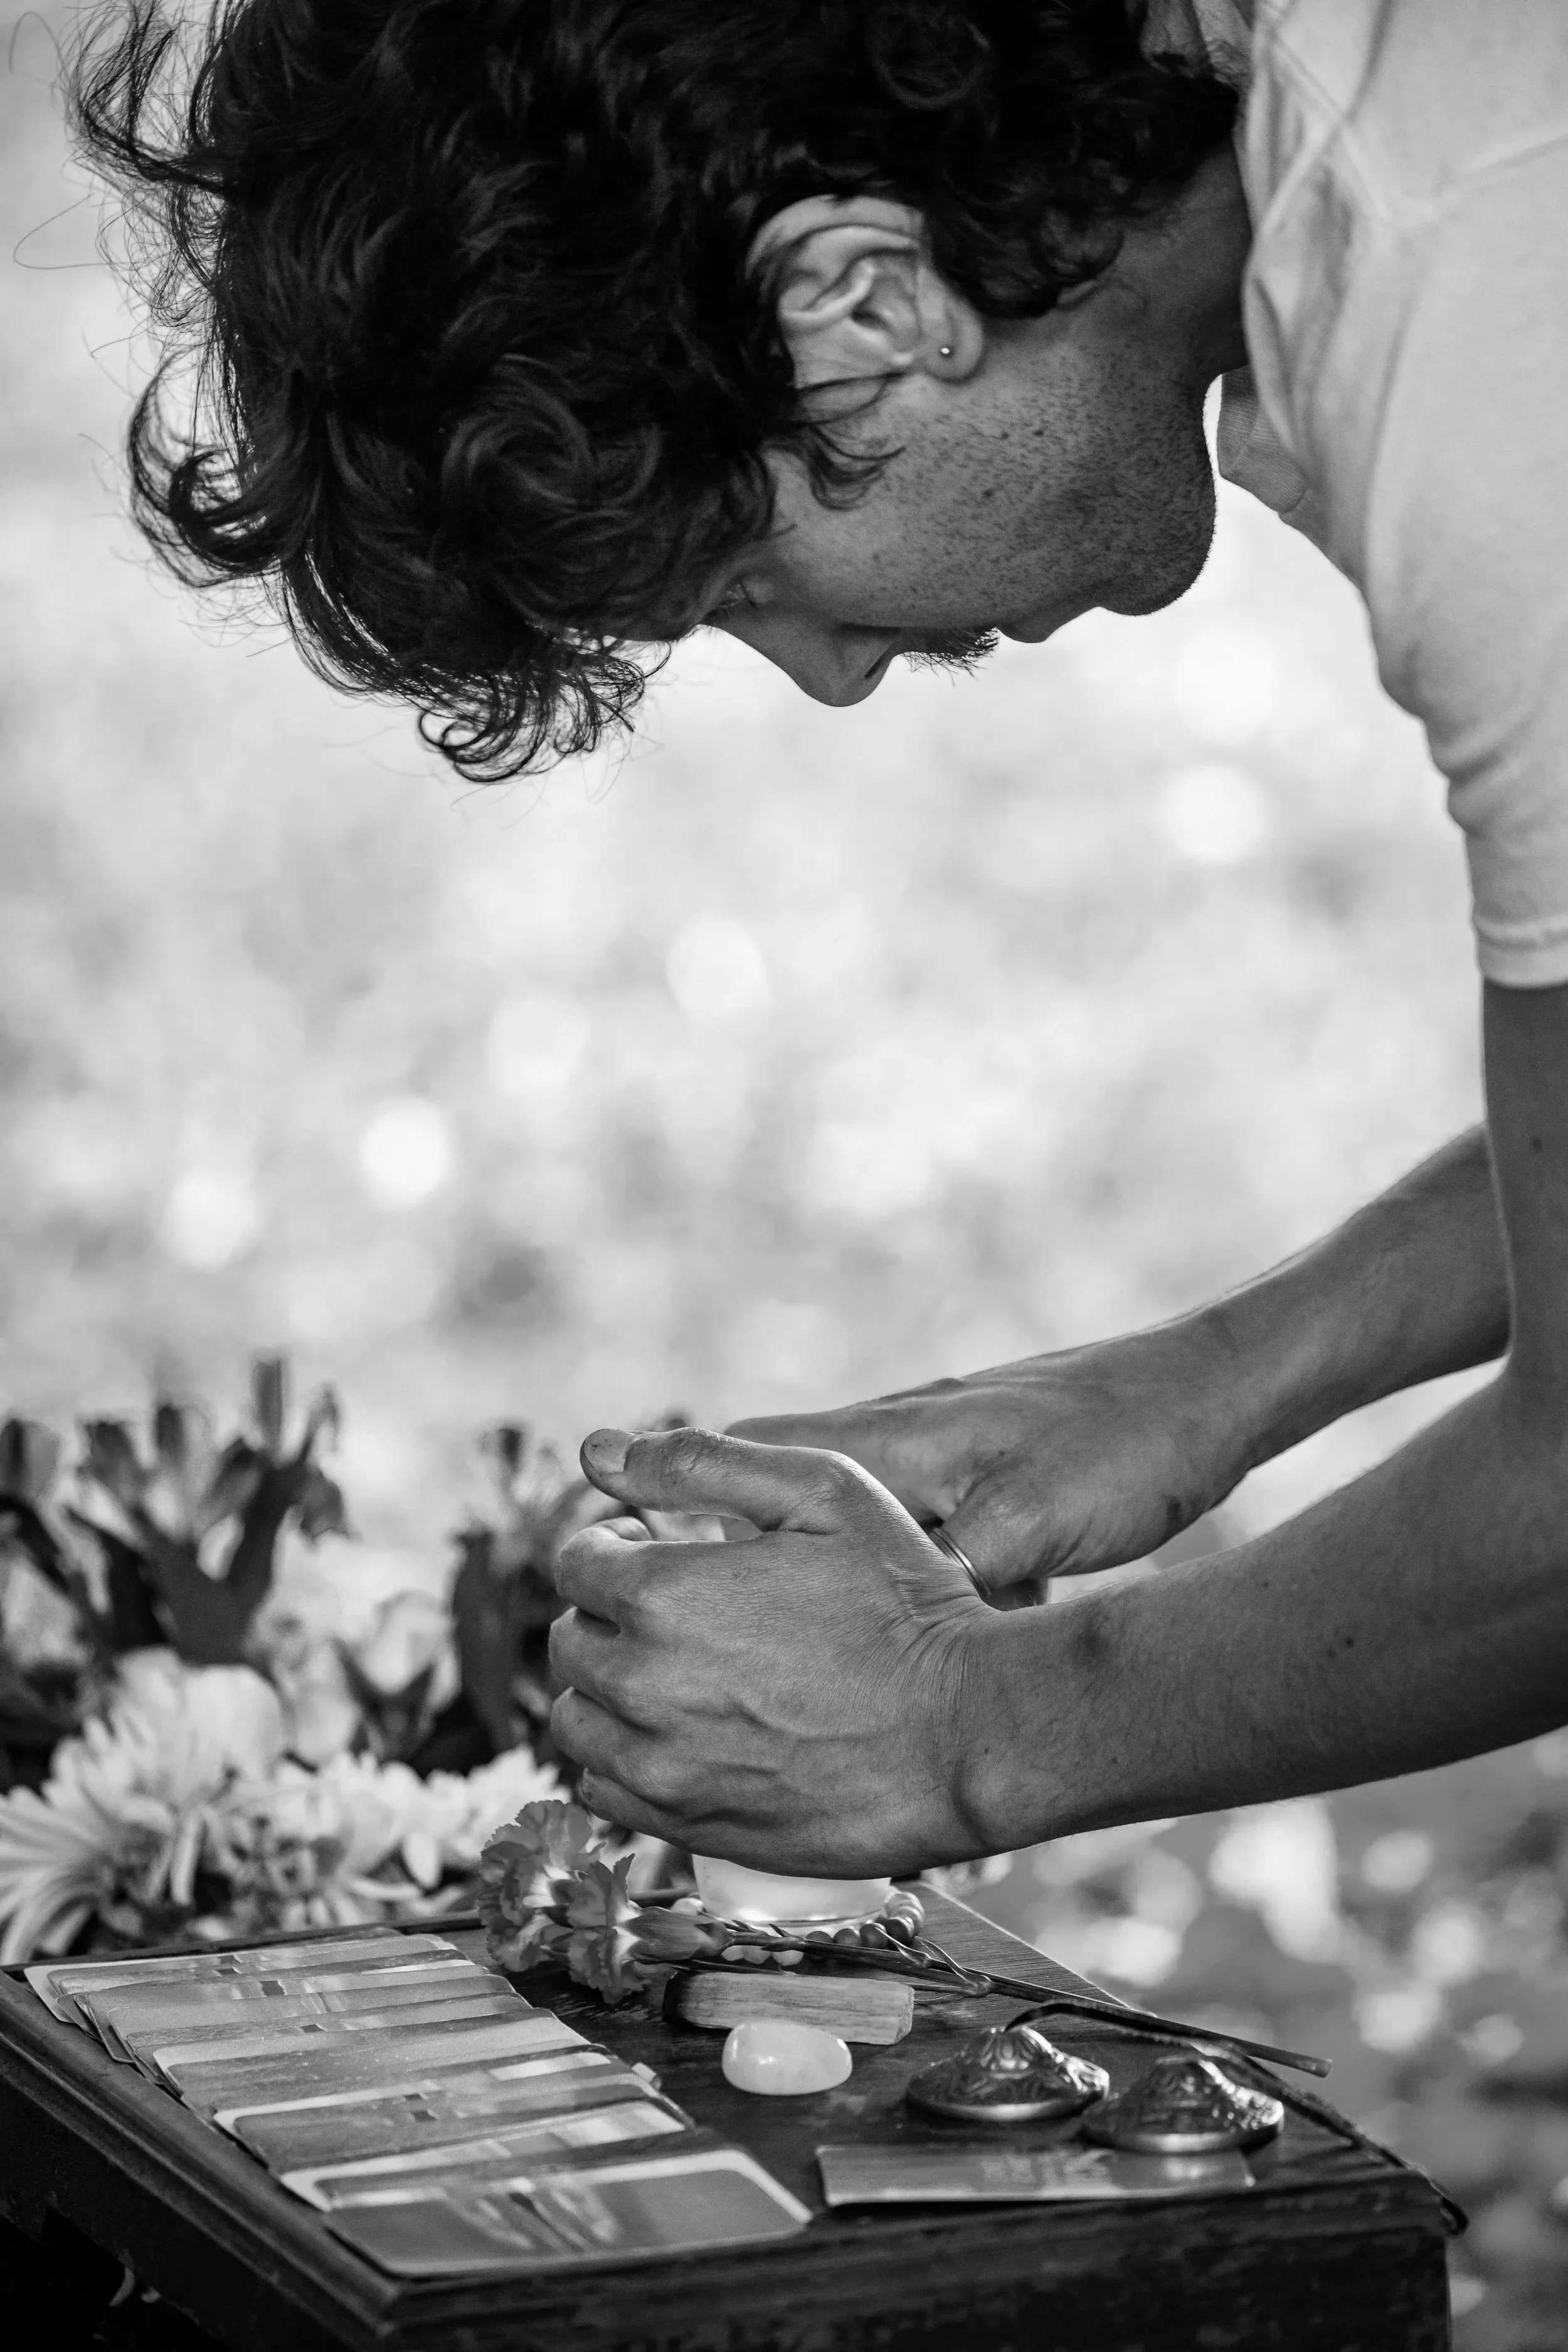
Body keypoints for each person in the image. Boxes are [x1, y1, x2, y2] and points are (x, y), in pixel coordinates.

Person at [72, 1, 1568, 1873]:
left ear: (859, 300)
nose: (837, 679)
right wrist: (1215, 1380)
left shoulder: (1489, 308)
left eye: (750, 581)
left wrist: (973, 1722)